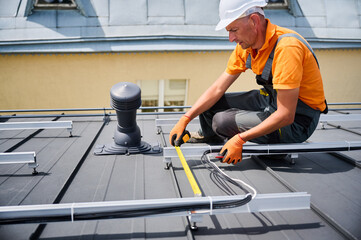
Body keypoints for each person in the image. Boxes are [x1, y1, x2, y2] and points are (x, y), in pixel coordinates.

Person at [169, 0, 327, 165]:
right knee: (210, 105)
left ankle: (279, 146)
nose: (231, 38)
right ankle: (209, 136)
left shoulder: (287, 48)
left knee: (221, 122)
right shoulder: (247, 46)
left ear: (254, 21)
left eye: (234, 30)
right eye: (229, 31)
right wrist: (185, 119)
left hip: (297, 121)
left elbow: (286, 115)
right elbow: (217, 89)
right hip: (270, 101)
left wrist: (240, 139)